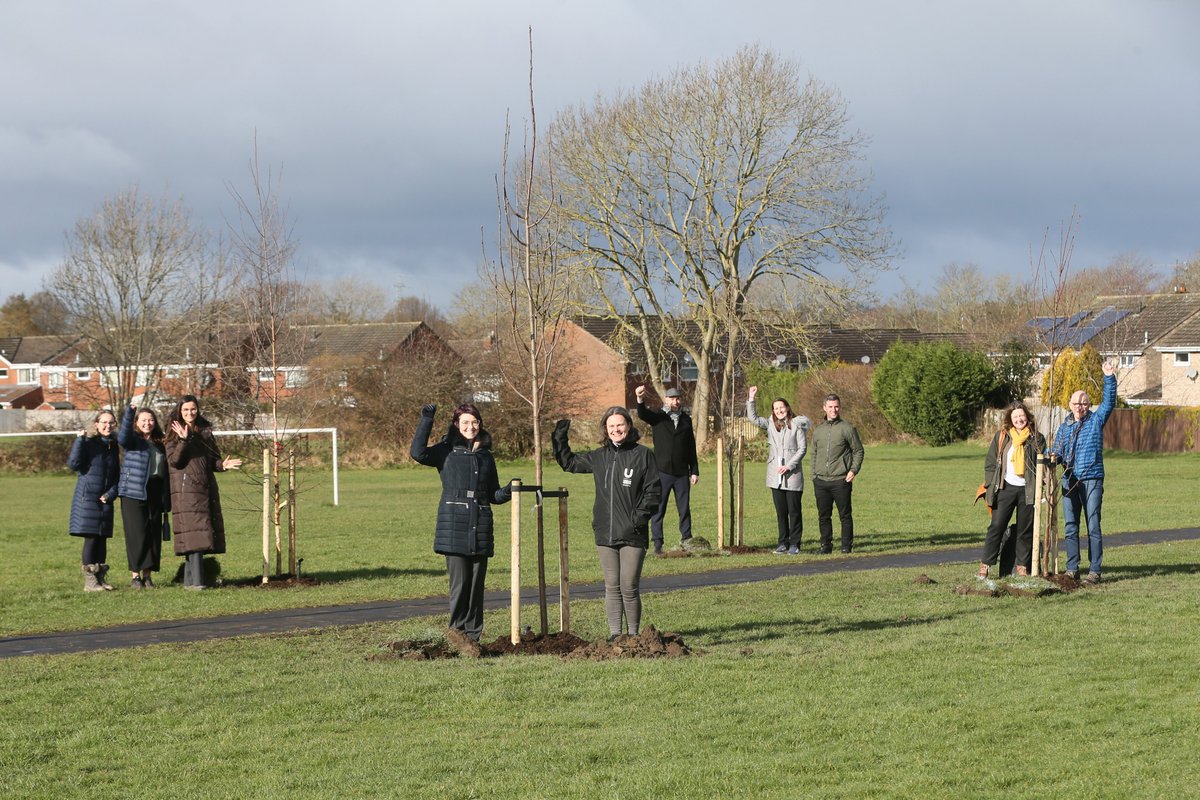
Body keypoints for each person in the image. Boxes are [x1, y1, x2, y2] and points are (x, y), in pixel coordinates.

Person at [553, 407, 661, 641]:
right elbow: (569, 463)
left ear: (629, 426)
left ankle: (633, 636)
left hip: (633, 532)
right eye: (611, 426)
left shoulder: (643, 455)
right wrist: (560, 435)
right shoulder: (599, 457)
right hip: (605, 532)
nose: (616, 429)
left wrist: (638, 518)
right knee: (612, 586)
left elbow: (653, 491)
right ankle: (616, 635)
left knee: (629, 586)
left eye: (620, 425)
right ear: (605, 429)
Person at [410, 402, 512, 642]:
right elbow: (418, 453)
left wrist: (509, 491)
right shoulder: (446, 451)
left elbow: (493, 494)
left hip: (480, 526)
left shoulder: (486, 456)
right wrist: (427, 419)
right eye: (465, 422)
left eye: (475, 422)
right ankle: (456, 634)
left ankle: (473, 636)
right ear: (456, 425)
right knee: (460, 585)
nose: (471, 426)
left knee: (477, 585)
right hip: (454, 525)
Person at [1050, 360, 1117, 584]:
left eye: (1084, 402)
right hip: (1070, 479)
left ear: (1089, 405)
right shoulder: (1064, 427)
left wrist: (1108, 377)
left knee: (1093, 523)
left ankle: (1095, 571)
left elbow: (1108, 402)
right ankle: (1072, 568)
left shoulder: (1096, 421)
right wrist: (1049, 456)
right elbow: (1057, 450)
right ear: (1069, 405)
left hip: (1091, 478)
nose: (1079, 406)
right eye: (1076, 403)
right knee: (1070, 526)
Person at [165, 395, 241, 590]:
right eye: (186, 410)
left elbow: (212, 460)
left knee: (198, 533)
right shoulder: (173, 433)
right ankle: (196, 581)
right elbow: (175, 462)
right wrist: (183, 440)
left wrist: (222, 465)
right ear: (179, 412)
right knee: (194, 536)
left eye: (193, 409)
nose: (190, 413)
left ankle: (192, 581)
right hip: (186, 490)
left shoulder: (205, 432)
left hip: (204, 488)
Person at [978, 401, 1046, 579]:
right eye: (1015, 416)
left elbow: (1042, 466)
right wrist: (991, 484)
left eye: (1021, 416)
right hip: (1005, 488)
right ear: (1010, 419)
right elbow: (991, 463)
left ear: (1027, 417)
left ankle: (1022, 566)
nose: (1019, 419)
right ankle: (985, 565)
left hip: (1028, 490)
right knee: (996, 527)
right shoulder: (1002, 437)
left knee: (1024, 530)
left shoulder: (1037, 438)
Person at [635, 384, 699, 555]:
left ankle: (686, 539)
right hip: (662, 471)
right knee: (658, 508)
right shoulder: (658, 417)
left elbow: (691, 447)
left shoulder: (686, 419)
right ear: (666, 400)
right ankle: (657, 544)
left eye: (677, 398)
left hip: (682, 473)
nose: (675, 401)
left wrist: (694, 470)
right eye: (671, 398)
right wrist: (640, 399)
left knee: (684, 508)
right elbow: (642, 414)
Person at [746, 386, 810, 555]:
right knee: (781, 512)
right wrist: (751, 398)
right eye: (776, 408)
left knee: (794, 512)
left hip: (793, 476)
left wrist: (790, 465)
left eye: (782, 407)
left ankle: (795, 544)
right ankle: (783, 543)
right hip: (775, 476)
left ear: (787, 408)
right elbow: (752, 418)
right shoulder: (770, 424)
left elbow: (802, 449)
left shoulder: (797, 425)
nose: (779, 410)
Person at [117, 404, 171, 589]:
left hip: (155, 491)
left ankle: (148, 576)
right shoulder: (132, 440)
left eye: (150, 420)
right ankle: (135, 576)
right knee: (136, 534)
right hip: (133, 492)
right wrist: (130, 413)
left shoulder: (160, 443)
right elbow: (122, 436)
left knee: (152, 535)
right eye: (143, 420)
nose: (147, 423)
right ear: (137, 423)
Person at [68, 410, 121, 592]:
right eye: (104, 422)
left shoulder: (113, 446)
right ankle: (90, 582)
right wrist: (79, 441)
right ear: (97, 424)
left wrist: (111, 494)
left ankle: (100, 578)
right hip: (87, 499)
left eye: (111, 423)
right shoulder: (88, 443)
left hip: (105, 500)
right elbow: (73, 464)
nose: (107, 426)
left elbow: (116, 476)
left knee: (102, 539)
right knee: (91, 538)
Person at [810, 394, 865, 554]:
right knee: (823, 516)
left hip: (841, 480)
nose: (834, 410)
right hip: (820, 481)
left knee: (845, 515)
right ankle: (825, 546)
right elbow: (813, 453)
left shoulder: (847, 428)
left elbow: (858, 451)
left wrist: (853, 470)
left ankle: (846, 546)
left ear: (839, 407)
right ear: (824, 408)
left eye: (836, 406)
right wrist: (814, 475)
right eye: (831, 407)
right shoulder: (818, 430)